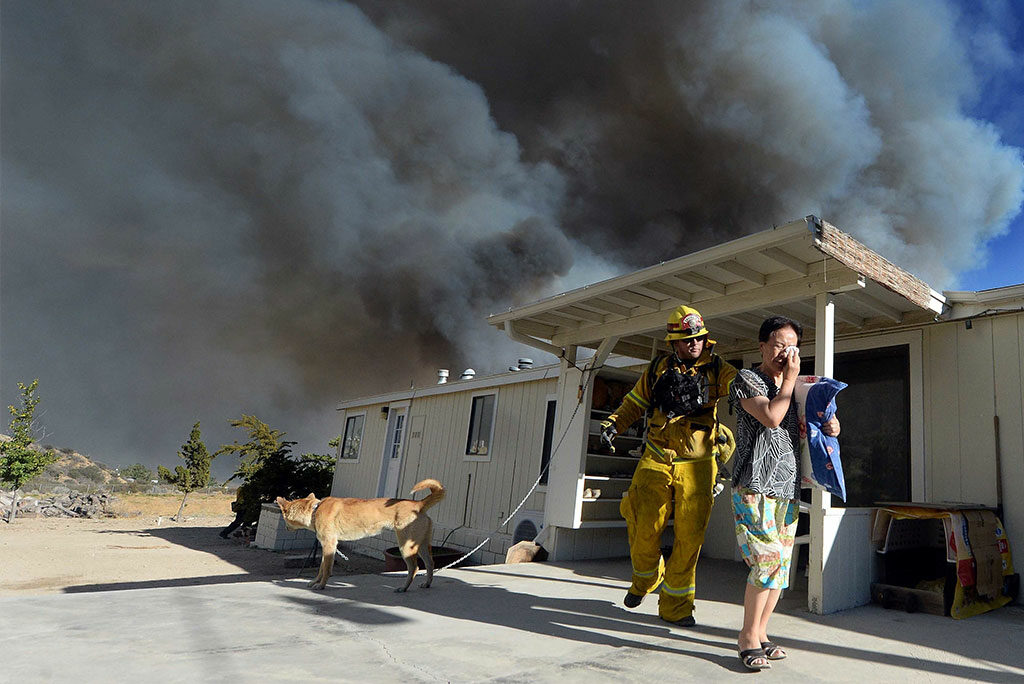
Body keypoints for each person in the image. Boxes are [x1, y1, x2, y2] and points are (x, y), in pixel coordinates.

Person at [600, 305, 737, 627]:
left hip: (699, 464)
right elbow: (635, 401)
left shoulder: (718, 369)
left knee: (690, 539)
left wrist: (749, 385)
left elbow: (737, 383)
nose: (693, 344)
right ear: (673, 343)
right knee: (643, 525)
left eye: (698, 338)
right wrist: (612, 424)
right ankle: (645, 578)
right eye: (686, 339)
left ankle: (675, 608)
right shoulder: (658, 368)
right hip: (656, 454)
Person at [729, 315, 840, 670]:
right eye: (778, 345)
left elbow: (816, 424)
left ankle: (761, 633)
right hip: (754, 485)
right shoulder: (748, 379)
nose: (785, 353)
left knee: (779, 567)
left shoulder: (801, 388)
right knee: (765, 561)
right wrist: (790, 380)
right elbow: (773, 417)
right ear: (762, 346)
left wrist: (831, 425)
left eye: (791, 346)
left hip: (787, 488)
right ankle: (746, 637)